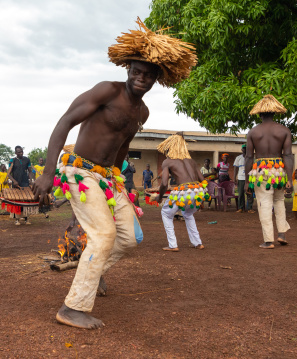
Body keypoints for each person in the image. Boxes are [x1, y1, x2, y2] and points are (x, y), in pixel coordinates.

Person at [32, 19, 196, 329]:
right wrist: (48, 171)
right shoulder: (107, 90)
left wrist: (125, 185)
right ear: (128, 70)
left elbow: (123, 146)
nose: (140, 78)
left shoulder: (141, 112)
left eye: (148, 75)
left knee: (129, 237)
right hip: (78, 170)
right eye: (136, 72)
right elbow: (63, 123)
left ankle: (91, 270)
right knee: (103, 234)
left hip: (106, 177)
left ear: (156, 79)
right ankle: (72, 308)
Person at [245, 95, 292, 249]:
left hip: (260, 170)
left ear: (260, 114)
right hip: (279, 170)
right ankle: (282, 234)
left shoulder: (253, 132)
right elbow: (287, 155)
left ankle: (268, 241)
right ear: (274, 113)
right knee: (279, 201)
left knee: (264, 203)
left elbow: (248, 157)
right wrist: (289, 179)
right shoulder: (284, 130)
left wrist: (246, 180)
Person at [151, 134, 207, 251]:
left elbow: (165, 183)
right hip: (198, 191)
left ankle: (173, 245)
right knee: (188, 214)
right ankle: (198, 243)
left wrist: (159, 197)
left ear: (170, 147)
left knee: (166, 213)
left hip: (183, 191)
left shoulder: (168, 161)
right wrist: (202, 195)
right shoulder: (191, 161)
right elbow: (203, 180)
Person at [8, 146, 35, 225]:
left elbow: (30, 171)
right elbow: (8, 174)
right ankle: (17, 219)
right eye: (19, 152)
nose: (21, 153)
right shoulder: (12, 161)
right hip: (16, 183)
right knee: (17, 201)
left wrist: (30, 180)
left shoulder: (27, 160)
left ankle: (26, 219)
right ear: (15, 153)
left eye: (22, 151)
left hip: (25, 182)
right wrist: (14, 181)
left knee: (25, 200)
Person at [233, 145, 247, 213]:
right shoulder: (238, 158)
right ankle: (241, 208)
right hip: (241, 177)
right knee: (241, 193)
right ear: (242, 150)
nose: (245, 150)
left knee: (249, 193)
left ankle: (249, 208)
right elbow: (235, 168)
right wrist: (234, 178)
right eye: (244, 148)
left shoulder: (251, 158)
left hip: (249, 178)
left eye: (246, 148)